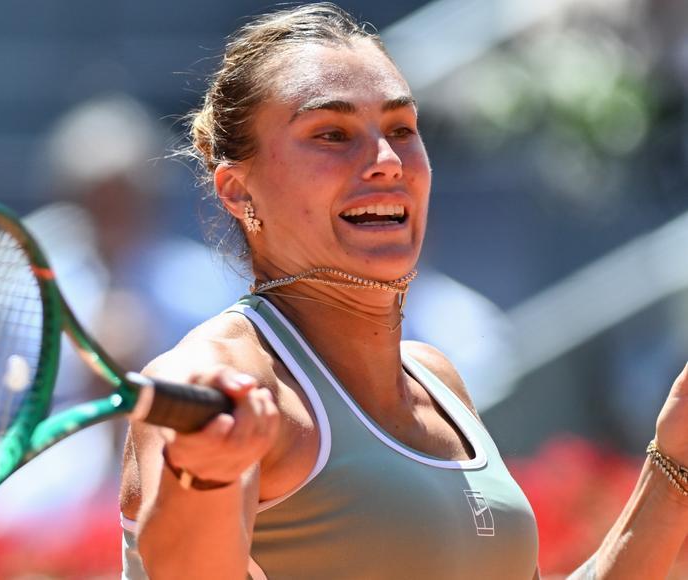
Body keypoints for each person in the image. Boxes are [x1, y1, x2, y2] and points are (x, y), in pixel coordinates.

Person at [119, 4, 688, 579]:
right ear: (239, 192)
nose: (387, 162)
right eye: (332, 134)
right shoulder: (210, 377)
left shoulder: (437, 381)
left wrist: (674, 463)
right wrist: (204, 476)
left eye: (401, 130)